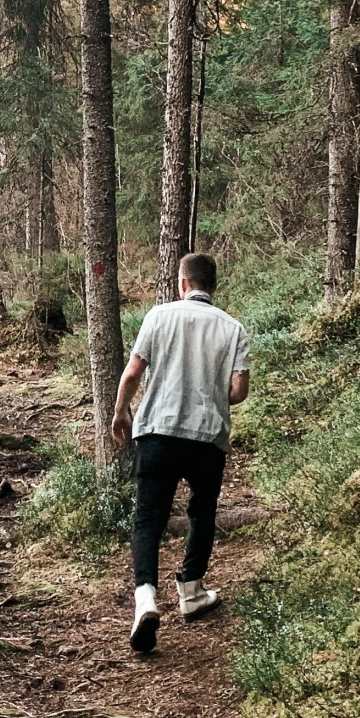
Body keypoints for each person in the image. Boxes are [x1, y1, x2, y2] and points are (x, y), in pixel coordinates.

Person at [110, 250, 250, 655]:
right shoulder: (232, 328)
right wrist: (210, 393)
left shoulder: (158, 316)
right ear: (214, 286)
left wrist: (121, 412)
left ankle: (146, 599)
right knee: (202, 511)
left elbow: (133, 372)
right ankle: (191, 591)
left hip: (159, 431)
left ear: (182, 283)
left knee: (148, 518)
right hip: (207, 437)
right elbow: (239, 390)